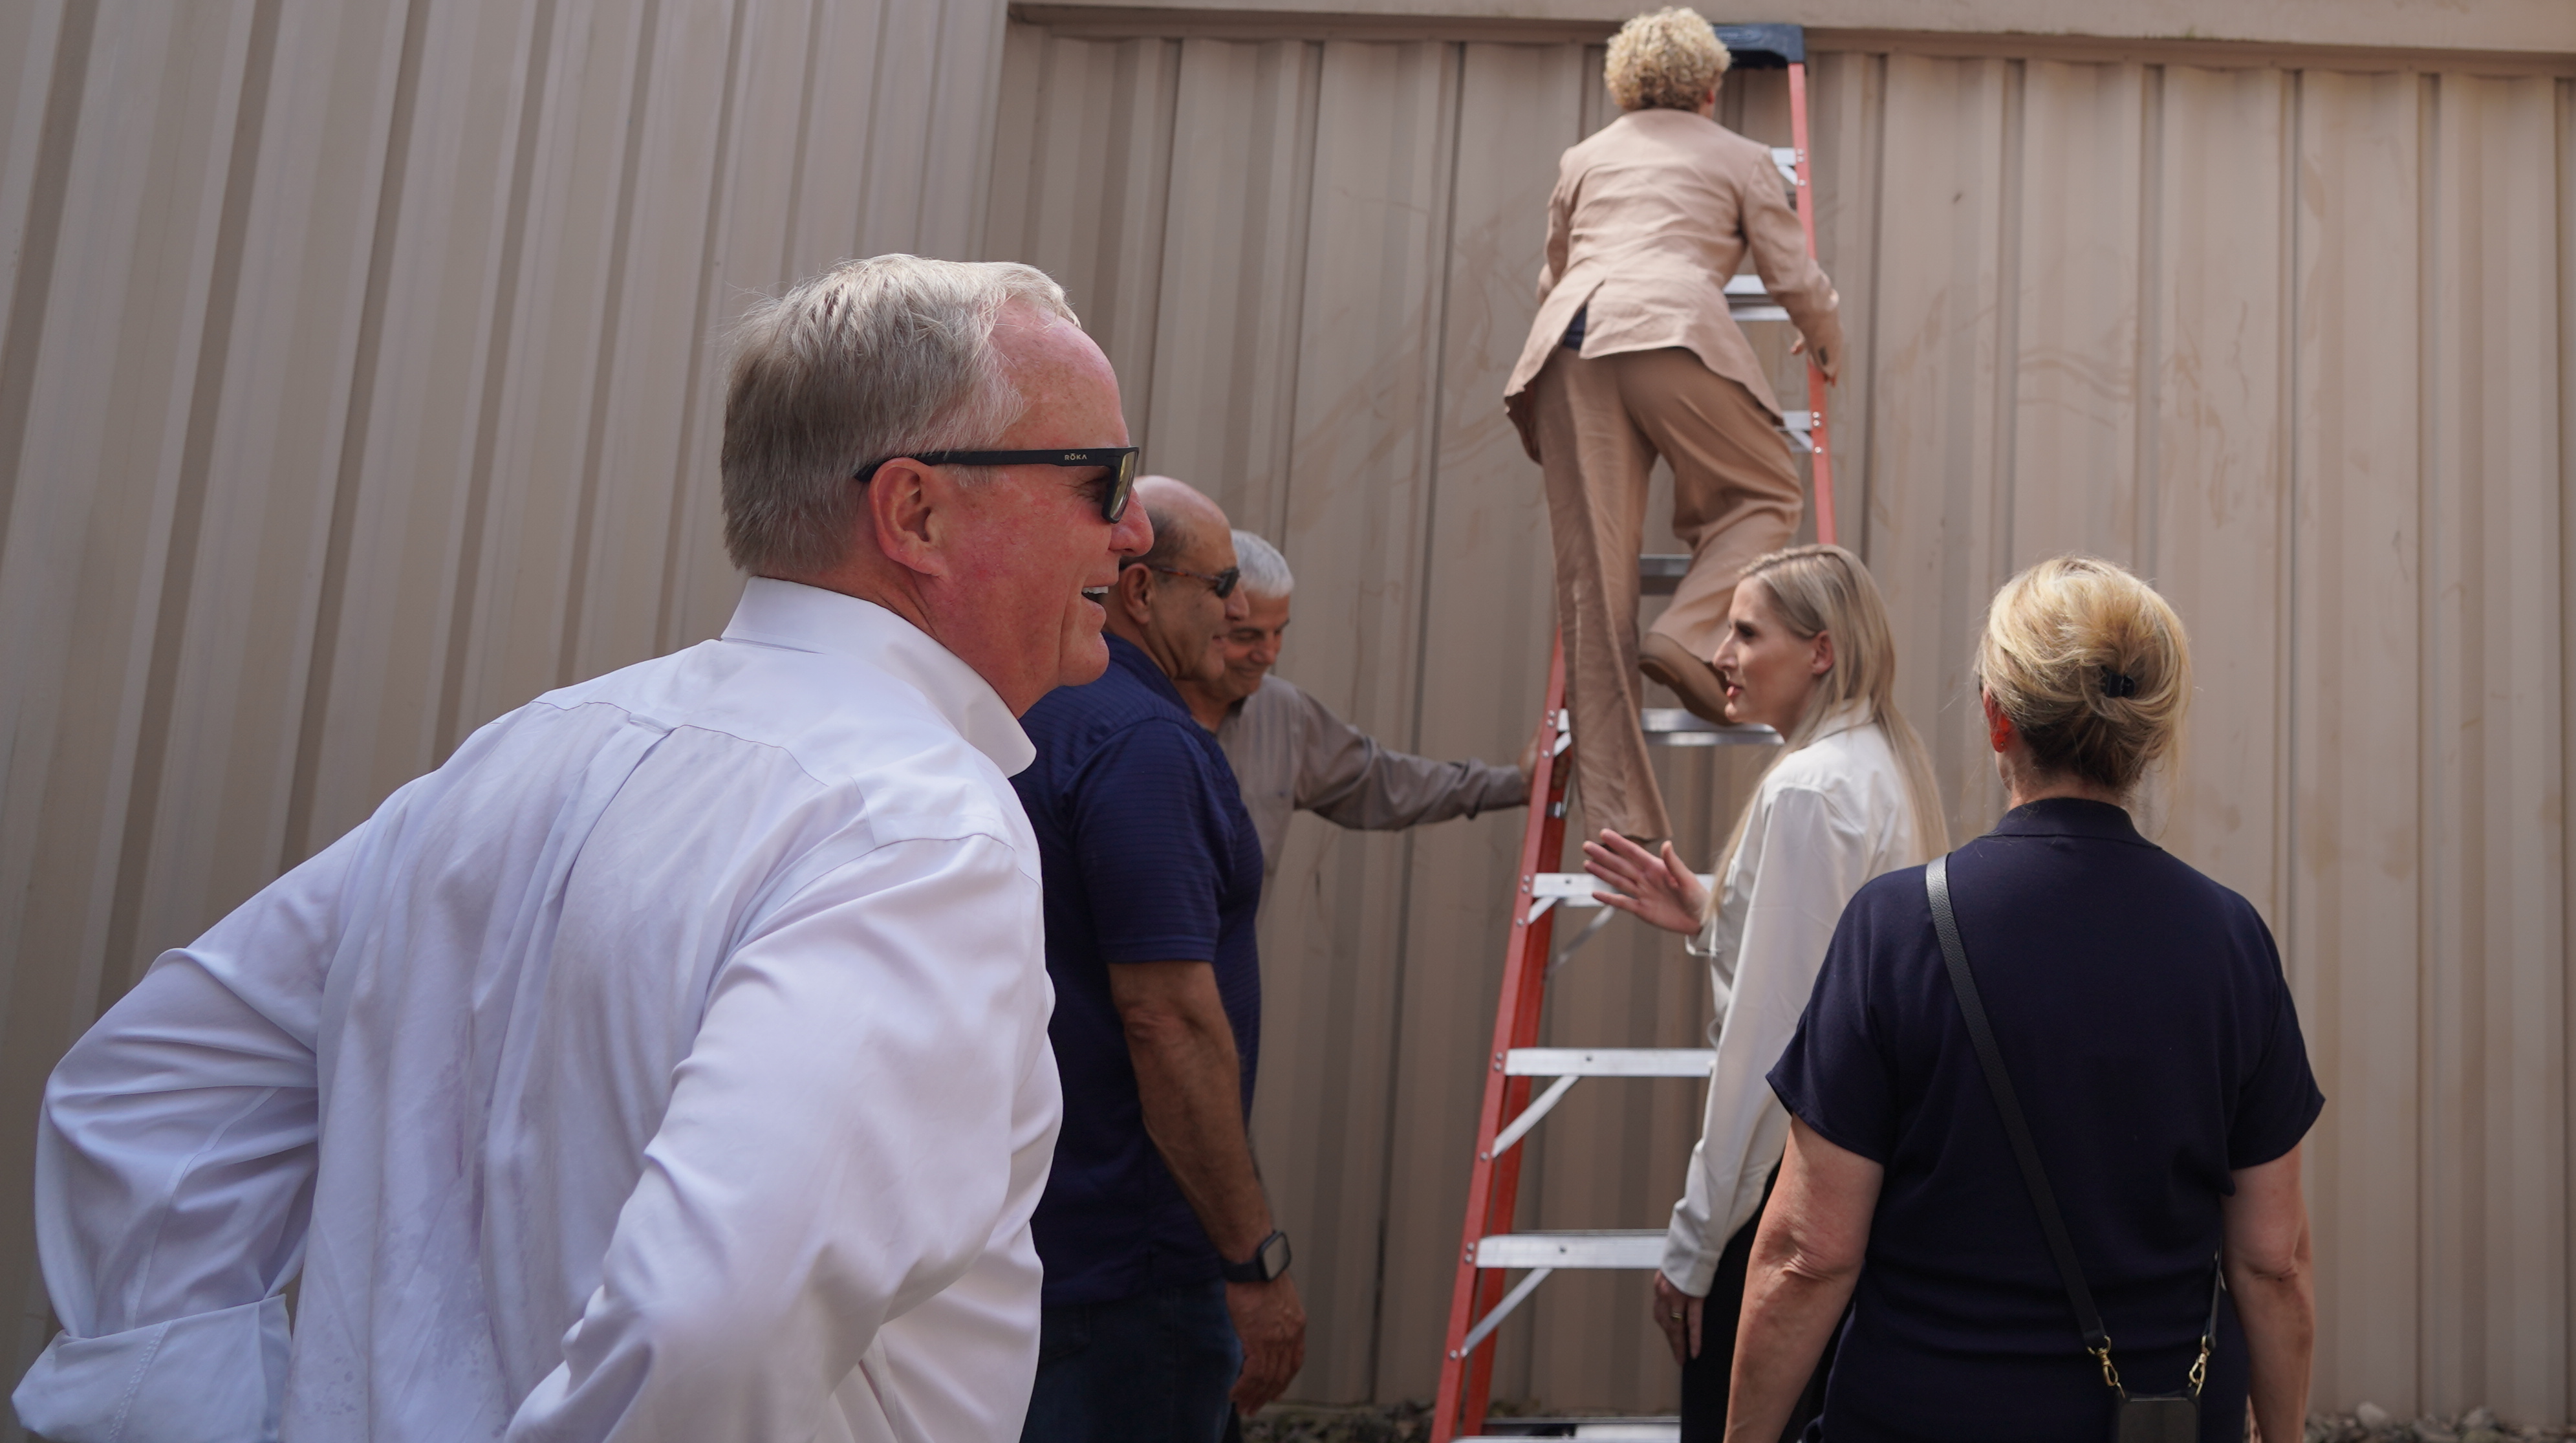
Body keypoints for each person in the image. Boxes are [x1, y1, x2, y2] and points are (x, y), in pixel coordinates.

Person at [15, 255, 1142, 1443]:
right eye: (1099, 480)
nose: (1135, 528)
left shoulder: (522, 755)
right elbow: (715, 1324)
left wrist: (198, 1413)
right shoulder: (920, 831)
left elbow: (151, 1096)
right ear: (916, 510)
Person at [1724, 557, 2321, 1443]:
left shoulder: (1896, 929)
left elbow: (1807, 1255)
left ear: (1997, 718)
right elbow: (2272, 1264)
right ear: (2149, 738)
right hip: (2155, 1418)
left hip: (1924, 1416)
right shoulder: (2231, 941)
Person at [1581, 547, 1948, 1443]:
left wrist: (1697, 1245)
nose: (1721, 655)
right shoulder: (1874, 768)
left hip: (1784, 1203)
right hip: (1863, 1187)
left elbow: (1772, 1047)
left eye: (1747, 631)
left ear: (1821, 651)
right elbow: (1834, 969)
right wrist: (1716, 910)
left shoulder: (1809, 792)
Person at [1012, 475, 1307, 1441]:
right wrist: (1250, 1261)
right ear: (1141, 590)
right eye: (1221, 585)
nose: (1235, 610)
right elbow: (1167, 1019)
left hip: (1030, 1235)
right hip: (1130, 1263)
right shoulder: (1141, 744)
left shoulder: (1028, 713)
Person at [1504, 6, 1843, 845]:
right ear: (1709, 87)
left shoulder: (1583, 158)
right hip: (1668, 332)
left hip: (1568, 352)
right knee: (1763, 487)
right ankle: (1691, 636)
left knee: (1593, 587)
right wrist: (1825, 336)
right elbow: (1791, 271)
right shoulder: (1741, 156)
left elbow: (1552, 275)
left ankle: (1622, 830)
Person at [1186, 526, 1530, 860]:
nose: (1269, 654)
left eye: (1278, 633)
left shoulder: (1284, 714)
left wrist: (1519, 784)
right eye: (1246, 637)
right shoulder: (1142, 713)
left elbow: (1384, 784)